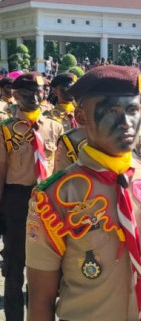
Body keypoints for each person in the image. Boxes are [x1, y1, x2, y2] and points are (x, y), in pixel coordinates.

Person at [26, 65, 141, 321]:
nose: (126, 122)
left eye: (132, 110)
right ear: (82, 117)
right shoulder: (55, 197)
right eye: (111, 110)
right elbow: (41, 299)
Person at [0, 72, 63, 321]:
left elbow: (59, 169)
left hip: (47, 202)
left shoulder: (55, 127)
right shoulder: (5, 130)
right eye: (28, 93)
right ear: (15, 95)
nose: (36, 97)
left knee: (46, 267)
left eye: (40, 92)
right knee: (15, 267)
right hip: (17, 200)